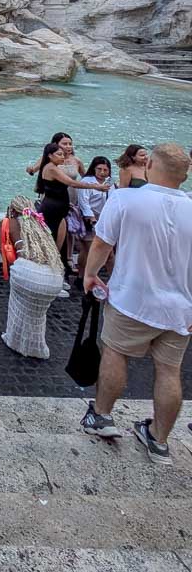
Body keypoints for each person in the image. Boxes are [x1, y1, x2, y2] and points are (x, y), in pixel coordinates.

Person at [81, 143, 192, 465]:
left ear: (152, 165)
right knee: (170, 372)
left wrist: (90, 275)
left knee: (116, 354)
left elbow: (102, 243)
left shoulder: (125, 199)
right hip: (180, 309)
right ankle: (159, 440)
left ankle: (102, 416)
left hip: (132, 299)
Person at [35, 142, 108, 292]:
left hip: (58, 210)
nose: (63, 157)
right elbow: (71, 183)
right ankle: (52, 279)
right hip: (52, 210)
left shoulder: (51, 167)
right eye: (59, 154)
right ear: (50, 156)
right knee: (53, 244)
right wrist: (96, 186)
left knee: (58, 245)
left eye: (63, 154)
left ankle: (56, 278)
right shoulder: (51, 169)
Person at [0, 195, 64, 359]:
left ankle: (14, 339)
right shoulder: (40, 224)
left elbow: (17, 251)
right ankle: (36, 346)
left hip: (29, 273)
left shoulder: (13, 221)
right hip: (55, 278)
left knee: (18, 305)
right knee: (37, 314)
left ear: (13, 210)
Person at [77, 156, 114, 275]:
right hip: (88, 220)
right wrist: (92, 219)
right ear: (93, 169)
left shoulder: (110, 183)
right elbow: (84, 203)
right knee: (88, 251)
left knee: (108, 252)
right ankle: (82, 276)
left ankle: (110, 279)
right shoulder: (87, 182)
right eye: (99, 169)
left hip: (104, 220)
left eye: (105, 170)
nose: (102, 173)